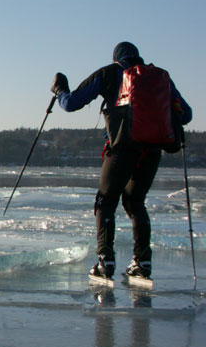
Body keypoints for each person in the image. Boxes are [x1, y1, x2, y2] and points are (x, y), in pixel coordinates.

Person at [51, 42, 192, 280]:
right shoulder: (158, 78)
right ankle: (142, 262)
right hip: (152, 150)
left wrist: (59, 90)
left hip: (121, 148)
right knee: (135, 202)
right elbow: (186, 114)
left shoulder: (109, 72)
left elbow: (71, 103)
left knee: (105, 201)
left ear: (116, 57)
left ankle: (105, 261)